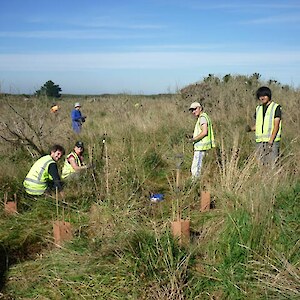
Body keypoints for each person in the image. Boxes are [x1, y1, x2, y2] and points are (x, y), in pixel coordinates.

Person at [248, 86, 282, 166]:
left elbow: (276, 125)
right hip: (260, 141)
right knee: (260, 164)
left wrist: (271, 141)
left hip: (271, 141)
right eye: (260, 96)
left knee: (272, 165)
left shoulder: (276, 107)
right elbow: (259, 125)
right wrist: (250, 129)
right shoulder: (258, 108)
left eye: (264, 95)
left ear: (269, 96)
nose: (262, 98)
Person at [188, 102, 215, 178]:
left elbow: (204, 132)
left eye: (195, 109)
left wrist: (193, 139)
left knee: (196, 168)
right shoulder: (203, 117)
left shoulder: (202, 118)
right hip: (204, 147)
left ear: (200, 108)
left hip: (201, 148)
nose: (193, 112)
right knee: (202, 167)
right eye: (192, 110)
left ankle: (195, 184)